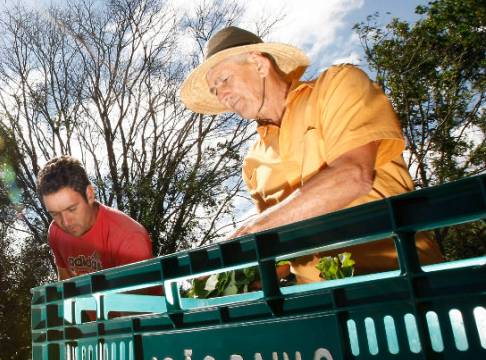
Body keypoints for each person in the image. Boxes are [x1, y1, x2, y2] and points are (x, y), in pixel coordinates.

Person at [178, 26, 442, 283]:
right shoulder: (252, 164)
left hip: (405, 280)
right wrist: (231, 280)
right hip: (320, 306)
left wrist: (248, 233)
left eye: (224, 80)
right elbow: (279, 251)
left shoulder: (337, 86)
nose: (221, 96)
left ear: (259, 64)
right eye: (214, 91)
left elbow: (353, 176)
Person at [36, 155, 153, 280]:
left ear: (89, 194)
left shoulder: (128, 236)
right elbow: (65, 286)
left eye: (72, 209)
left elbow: (136, 298)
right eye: (55, 214)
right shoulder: (56, 232)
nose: (65, 222)